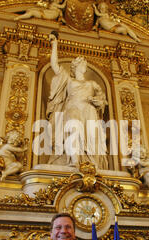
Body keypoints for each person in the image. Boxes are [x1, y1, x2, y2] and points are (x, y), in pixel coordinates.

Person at [46, 32, 109, 170]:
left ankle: (91, 164)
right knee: (73, 128)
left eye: (84, 63)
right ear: (75, 66)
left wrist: (98, 101)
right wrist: (54, 44)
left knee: (91, 138)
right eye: (81, 63)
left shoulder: (93, 83)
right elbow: (54, 65)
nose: (84, 65)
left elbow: (103, 99)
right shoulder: (68, 80)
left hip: (89, 110)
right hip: (72, 107)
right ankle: (74, 160)